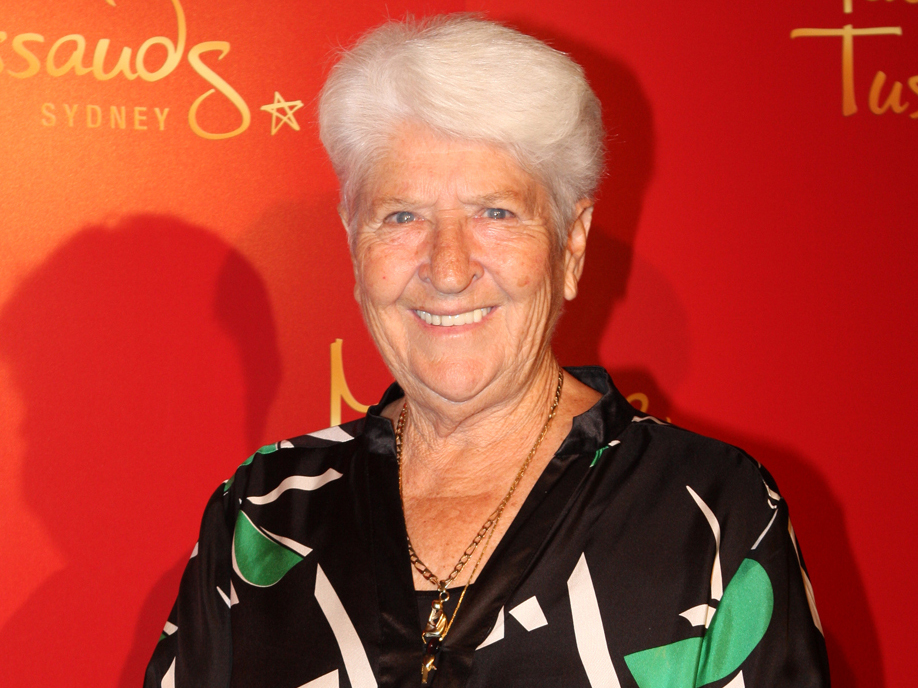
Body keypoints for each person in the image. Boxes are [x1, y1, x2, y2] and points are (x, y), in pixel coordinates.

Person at [145, 15, 830, 688]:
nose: (448, 269)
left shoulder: (709, 515)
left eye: (495, 213)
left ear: (571, 244)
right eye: (402, 216)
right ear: (354, 244)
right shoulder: (263, 512)